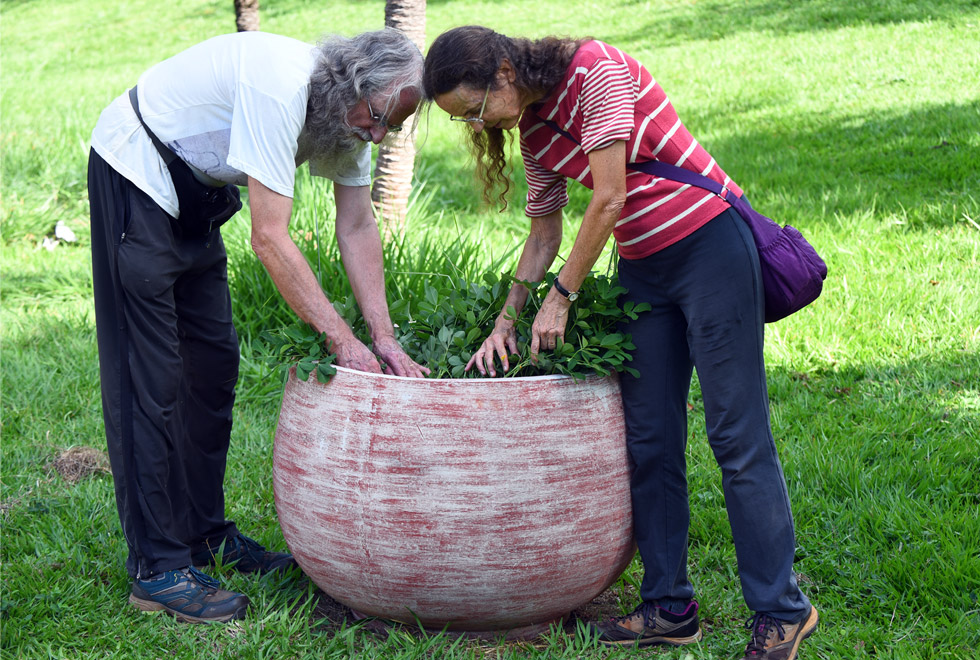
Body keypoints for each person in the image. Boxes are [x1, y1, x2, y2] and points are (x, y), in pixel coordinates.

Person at [423, 26, 817, 660]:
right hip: (643, 271)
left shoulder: (596, 71)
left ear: (503, 70)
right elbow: (544, 235)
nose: (476, 123)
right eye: (461, 118)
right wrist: (506, 321)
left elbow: (609, 198)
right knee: (650, 436)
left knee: (735, 436)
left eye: (474, 107)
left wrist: (563, 297)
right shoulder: (536, 129)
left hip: (709, 249)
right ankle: (668, 606)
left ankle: (781, 610)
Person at [88, 28, 429, 624]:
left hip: (195, 194)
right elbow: (270, 238)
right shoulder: (283, 88)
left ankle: (204, 535)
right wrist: (341, 339)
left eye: (388, 130)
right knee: (153, 380)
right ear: (352, 83)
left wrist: (384, 337)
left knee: (213, 367)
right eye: (375, 119)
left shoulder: (352, 115)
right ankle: (159, 570)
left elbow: (356, 226)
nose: (374, 136)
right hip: (137, 174)